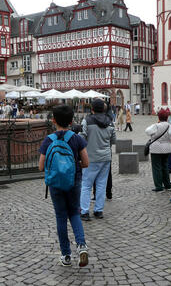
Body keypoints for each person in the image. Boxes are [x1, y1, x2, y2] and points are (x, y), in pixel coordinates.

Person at [38, 105, 89, 267]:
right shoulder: (77, 139)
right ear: (72, 121)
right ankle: (81, 245)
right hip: (74, 181)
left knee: (61, 216)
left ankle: (66, 255)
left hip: (55, 183)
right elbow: (86, 163)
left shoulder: (49, 140)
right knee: (74, 212)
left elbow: (40, 166)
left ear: (53, 121)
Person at [79, 99, 116, 221]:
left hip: (91, 157)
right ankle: (98, 210)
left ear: (92, 109)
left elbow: (82, 137)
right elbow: (113, 140)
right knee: (101, 184)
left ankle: (84, 211)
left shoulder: (87, 121)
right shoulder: (110, 122)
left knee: (86, 185)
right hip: (105, 157)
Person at [145, 109, 171, 192]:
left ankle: (159, 186)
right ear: (167, 117)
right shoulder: (170, 125)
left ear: (159, 117)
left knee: (156, 167)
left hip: (156, 148)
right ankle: (168, 185)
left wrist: (157, 123)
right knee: (165, 166)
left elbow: (147, 131)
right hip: (167, 148)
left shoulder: (156, 125)